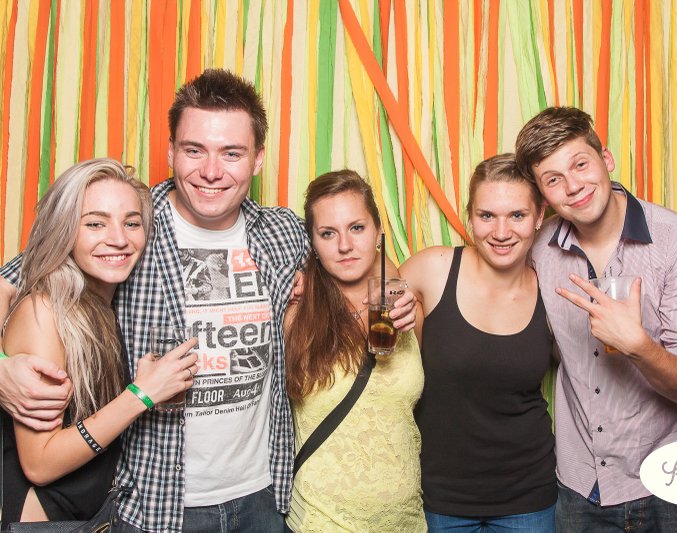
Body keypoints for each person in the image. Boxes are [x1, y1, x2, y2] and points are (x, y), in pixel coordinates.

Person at [0, 69, 415, 532]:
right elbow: (17, 280)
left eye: (231, 153)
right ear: (170, 151)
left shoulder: (281, 232)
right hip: (155, 504)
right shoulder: (130, 223)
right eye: (194, 150)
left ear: (258, 158)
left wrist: (395, 290)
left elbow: (358, 253)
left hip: (263, 497)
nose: (212, 171)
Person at [515, 106, 677, 531]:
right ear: (543, 196)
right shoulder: (537, 251)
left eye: (580, 164)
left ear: (605, 159)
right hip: (583, 486)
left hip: (676, 480)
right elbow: (485, 277)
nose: (573, 186)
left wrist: (639, 346)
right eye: (553, 179)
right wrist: (405, 292)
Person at [1, 159, 198, 527]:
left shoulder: (107, 300)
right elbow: (39, 464)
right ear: (63, 230)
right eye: (95, 223)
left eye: (131, 223)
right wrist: (141, 394)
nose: (119, 239)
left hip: (93, 514)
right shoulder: (45, 312)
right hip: (43, 519)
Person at [400, 154, 557, 531]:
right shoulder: (435, 269)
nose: (501, 232)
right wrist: (304, 275)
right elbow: (365, 294)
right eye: (487, 215)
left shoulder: (553, 287)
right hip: (440, 498)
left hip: (529, 499)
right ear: (469, 216)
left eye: (517, 215)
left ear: (539, 216)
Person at [283, 170, 425, 532]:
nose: (344, 245)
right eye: (328, 233)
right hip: (320, 522)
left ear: (378, 232)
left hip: (406, 521)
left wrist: (391, 279)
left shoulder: (406, 308)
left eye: (357, 228)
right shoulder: (296, 313)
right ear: (313, 243)